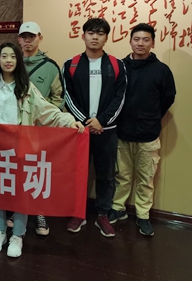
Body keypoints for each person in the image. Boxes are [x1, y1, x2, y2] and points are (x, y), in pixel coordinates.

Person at [0, 43, 84, 258]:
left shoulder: (27, 87)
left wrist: (69, 121)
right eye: (4, 56)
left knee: (21, 194)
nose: (8, 60)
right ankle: (0, 231)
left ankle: (18, 234)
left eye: (12, 56)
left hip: (20, 149)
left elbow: (48, 111)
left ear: (18, 60)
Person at [109, 23, 176, 236]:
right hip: (122, 132)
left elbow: (168, 98)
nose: (141, 43)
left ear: (153, 43)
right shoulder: (119, 67)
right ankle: (118, 208)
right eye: (136, 39)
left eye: (146, 39)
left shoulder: (161, 70)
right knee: (122, 176)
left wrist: (152, 116)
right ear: (130, 41)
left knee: (146, 179)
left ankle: (143, 215)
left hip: (148, 134)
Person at [63, 17, 126, 238]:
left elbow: (120, 98)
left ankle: (103, 214)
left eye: (100, 33)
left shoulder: (117, 65)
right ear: (83, 36)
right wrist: (87, 122)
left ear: (106, 37)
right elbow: (67, 97)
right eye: (91, 32)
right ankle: (77, 213)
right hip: (80, 131)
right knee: (78, 173)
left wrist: (102, 121)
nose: (95, 37)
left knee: (106, 175)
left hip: (106, 131)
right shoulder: (71, 64)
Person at [16, 21, 64, 235]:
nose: (27, 40)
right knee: (17, 171)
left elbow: (58, 98)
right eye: (24, 36)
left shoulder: (50, 66)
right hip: (15, 130)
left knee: (39, 172)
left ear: (40, 38)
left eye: (32, 36)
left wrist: (44, 119)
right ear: (19, 39)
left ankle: (40, 213)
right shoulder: (11, 62)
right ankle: (16, 211)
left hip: (39, 131)